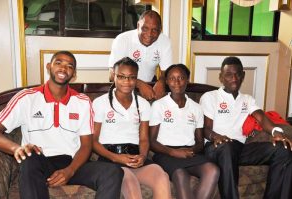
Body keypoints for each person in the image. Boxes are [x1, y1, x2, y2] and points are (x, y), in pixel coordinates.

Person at [0, 51, 123, 199]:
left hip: (71, 163)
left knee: (113, 172)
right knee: (29, 157)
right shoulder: (26, 98)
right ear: (49, 67)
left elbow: (86, 145)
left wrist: (70, 171)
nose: (63, 68)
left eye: (69, 66)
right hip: (38, 161)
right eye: (58, 63)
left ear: (73, 74)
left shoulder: (83, 102)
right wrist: (16, 148)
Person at [199, 56, 292, 199]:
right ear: (221, 78)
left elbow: (260, 117)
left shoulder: (247, 99)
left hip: (239, 148)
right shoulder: (210, 97)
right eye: (228, 75)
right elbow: (205, 129)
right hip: (215, 148)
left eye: (237, 74)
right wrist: (216, 137)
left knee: (283, 149)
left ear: (243, 75)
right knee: (227, 146)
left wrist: (276, 131)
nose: (234, 78)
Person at [92, 57, 171, 199]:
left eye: (131, 77)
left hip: (135, 158)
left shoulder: (143, 104)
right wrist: (117, 158)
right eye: (121, 77)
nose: (126, 82)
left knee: (160, 174)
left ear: (136, 79)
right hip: (110, 159)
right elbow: (93, 141)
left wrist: (143, 156)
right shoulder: (100, 103)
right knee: (130, 180)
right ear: (113, 77)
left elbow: (144, 138)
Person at [149, 64, 220, 199]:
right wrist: (174, 152)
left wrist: (191, 151)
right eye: (172, 78)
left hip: (189, 153)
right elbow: (152, 142)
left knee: (213, 169)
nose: (177, 82)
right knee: (181, 175)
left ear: (187, 80)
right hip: (165, 153)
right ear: (166, 81)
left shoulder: (196, 108)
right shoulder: (158, 105)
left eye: (181, 78)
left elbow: (200, 142)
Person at [108, 10, 173, 101]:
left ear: (160, 30)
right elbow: (112, 74)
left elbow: (167, 71)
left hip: (150, 84)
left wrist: (161, 82)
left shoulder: (165, 41)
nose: (149, 34)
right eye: (145, 28)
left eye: (155, 30)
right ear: (138, 25)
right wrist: (139, 84)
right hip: (124, 86)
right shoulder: (122, 39)